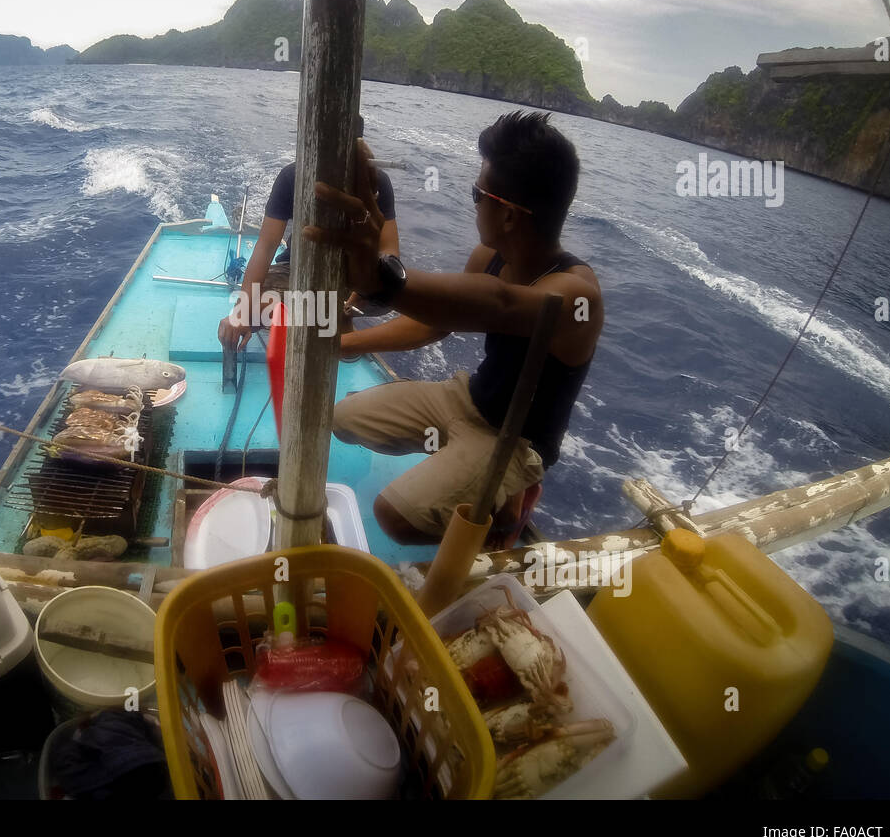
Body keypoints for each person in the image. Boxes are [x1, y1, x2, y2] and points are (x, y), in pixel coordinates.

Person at [305, 110, 602, 547]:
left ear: (508, 216)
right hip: (467, 399)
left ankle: (499, 522)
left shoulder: (579, 296)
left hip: (516, 440)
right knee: (343, 418)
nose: (473, 202)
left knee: (394, 516)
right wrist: (347, 344)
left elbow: (499, 304)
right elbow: (436, 323)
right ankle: (463, 468)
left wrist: (380, 277)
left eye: (477, 193)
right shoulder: (490, 256)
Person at [217, 116, 399, 351]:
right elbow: (266, 245)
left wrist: (365, 287)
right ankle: (326, 319)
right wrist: (241, 312)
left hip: (354, 275)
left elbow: (390, 251)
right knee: (251, 302)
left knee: (390, 292)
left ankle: (336, 317)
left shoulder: (377, 183)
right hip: (296, 267)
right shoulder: (291, 177)